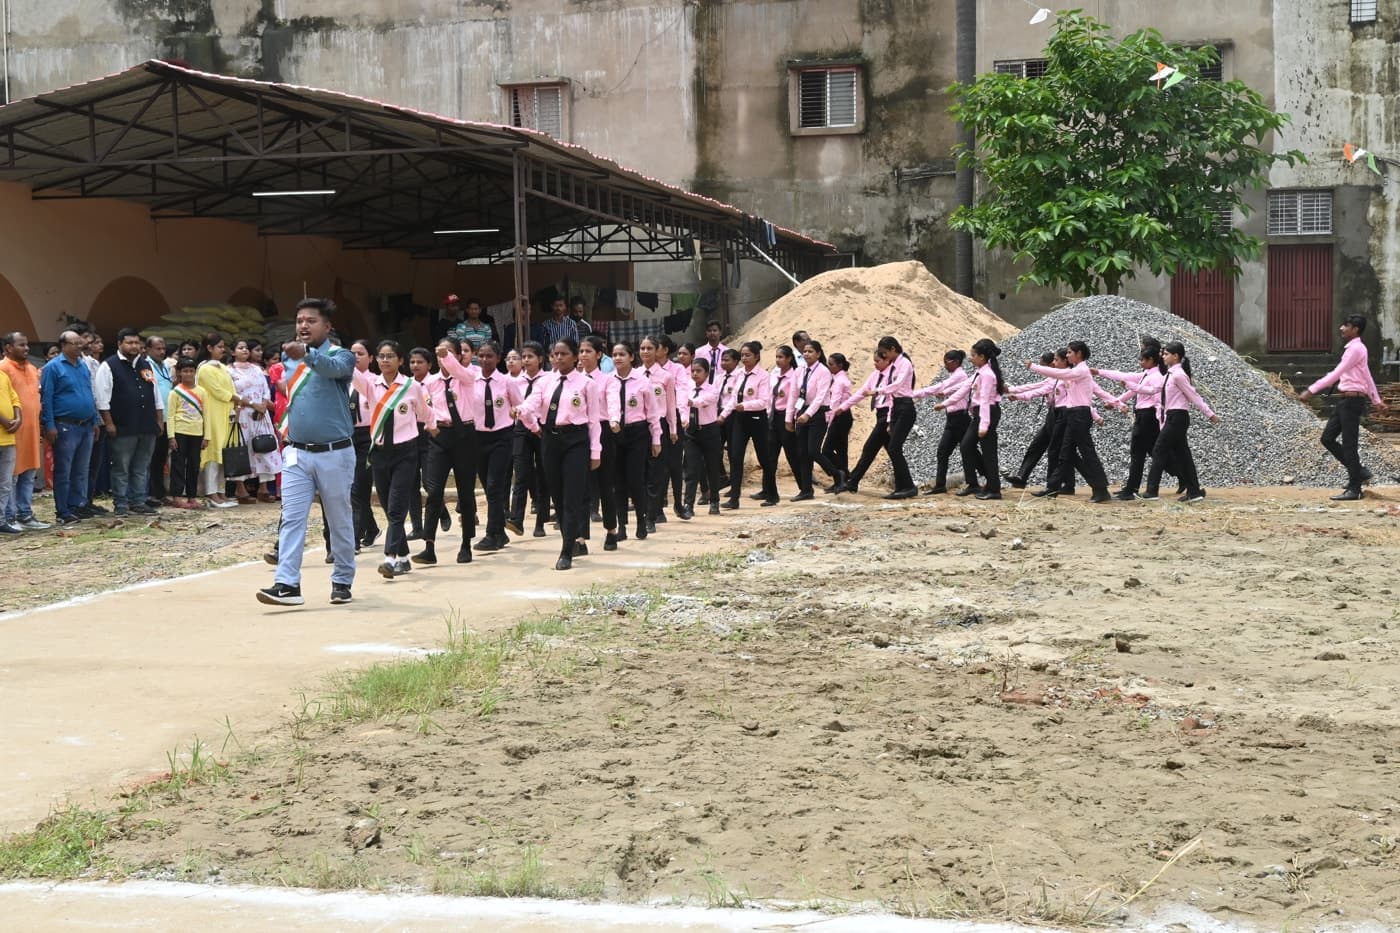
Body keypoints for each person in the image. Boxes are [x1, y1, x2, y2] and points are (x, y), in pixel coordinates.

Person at [258, 298, 358, 607]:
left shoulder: (341, 356)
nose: (303, 325)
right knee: (291, 518)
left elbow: (333, 369)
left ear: (327, 327)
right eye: (300, 320)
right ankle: (287, 583)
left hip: (335, 453)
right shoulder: (289, 359)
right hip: (297, 453)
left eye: (311, 320)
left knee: (338, 519)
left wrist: (306, 355)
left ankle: (342, 579)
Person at [353, 341, 437, 579]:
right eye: (381, 356)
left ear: (400, 361)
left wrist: (433, 426)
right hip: (379, 453)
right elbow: (351, 372)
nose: (385, 360)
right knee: (388, 506)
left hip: (405, 453)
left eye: (390, 356)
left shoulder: (411, 386)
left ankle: (390, 558)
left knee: (397, 506)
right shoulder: (370, 385)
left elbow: (425, 412)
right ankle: (404, 557)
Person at [518, 337, 602, 570]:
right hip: (550, 439)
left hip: (576, 440)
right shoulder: (545, 381)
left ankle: (566, 551)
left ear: (575, 357)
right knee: (557, 494)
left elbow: (594, 420)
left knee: (572, 495)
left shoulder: (587, 384)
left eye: (564, 354)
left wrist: (595, 451)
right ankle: (570, 538)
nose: (559, 358)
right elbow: (533, 402)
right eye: (555, 354)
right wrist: (521, 410)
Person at [1299, 314, 1387, 501]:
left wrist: (1311, 390)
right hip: (1345, 401)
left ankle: (1355, 489)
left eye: (1346, 325)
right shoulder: (1355, 349)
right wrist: (1376, 400)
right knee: (1327, 438)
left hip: (1352, 402)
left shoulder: (1355, 349)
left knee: (1349, 445)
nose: (1341, 328)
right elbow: (1367, 375)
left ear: (1355, 329)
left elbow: (1337, 373)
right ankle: (1359, 472)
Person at [1026, 340, 1113, 503]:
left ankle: (1101, 489)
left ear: (1079, 354)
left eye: (1070, 352)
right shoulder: (1077, 371)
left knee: (1087, 453)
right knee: (1064, 453)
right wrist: (1117, 402)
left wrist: (1033, 366)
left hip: (1080, 415)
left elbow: (1061, 375)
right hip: (1072, 415)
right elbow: (1097, 391)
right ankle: (1052, 488)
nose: (1067, 355)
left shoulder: (1081, 370)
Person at [421, 338, 480, 565]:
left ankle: (466, 543)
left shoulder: (466, 377)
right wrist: (430, 424)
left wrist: (448, 356)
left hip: (464, 435)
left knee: (465, 491)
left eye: (450, 353)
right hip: (440, 435)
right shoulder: (431, 381)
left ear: (459, 356)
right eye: (441, 354)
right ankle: (429, 545)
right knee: (434, 490)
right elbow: (424, 406)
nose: (444, 358)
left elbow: (458, 370)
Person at [95, 327, 165, 517]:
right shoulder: (108, 366)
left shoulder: (145, 365)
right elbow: (102, 398)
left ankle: (138, 501)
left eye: (136, 342)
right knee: (121, 467)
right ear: (120, 344)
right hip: (123, 425)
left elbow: (156, 395)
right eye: (129, 342)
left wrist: (159, 420)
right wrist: (109, 423)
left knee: (141, 466)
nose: (134, 346)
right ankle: (121, 504)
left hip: (147, 424)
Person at [1142, 341, 1220, 504]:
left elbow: (1193, 395)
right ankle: (1194, 491)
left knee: (1159, 449)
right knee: (1183, 454)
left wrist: (1209, 413)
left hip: (1178, 417)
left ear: (1176, 356)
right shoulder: (1170, 375)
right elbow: (1153, 390)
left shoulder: (1178, 375)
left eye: (1166, 354)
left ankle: (1152, 490)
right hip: (1172, 416)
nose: (1163, 356)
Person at [1096, 343, 1172, 500]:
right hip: (1144, 416)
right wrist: (1115, 400)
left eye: (1142, 359)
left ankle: (1131, 489)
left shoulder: (1156, 377)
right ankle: (1133, 487)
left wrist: (1127, 388)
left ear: (1151, 360)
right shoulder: (1146, 375)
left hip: (1147, 417)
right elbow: (1126, 380)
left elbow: (1151, 393)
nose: (1140, 362)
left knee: (1139, 453)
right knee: (1149, 452)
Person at [40, 330, 99, 526]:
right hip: (65, 425)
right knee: (64, 470)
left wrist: (95, 420)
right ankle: (63, 510)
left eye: (80, 343)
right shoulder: (53, 367)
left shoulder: (82, 365)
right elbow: (47, 398)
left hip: (86, 425)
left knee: (81, 469)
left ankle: (76, 505)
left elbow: (89, 393)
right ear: (63, 345)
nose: (79, 346)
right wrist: (50, 425)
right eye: (75, 343)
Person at [471, 341, 524, 552]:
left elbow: (520, 405)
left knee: (494, 486)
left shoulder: (507, 382)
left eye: (489, 356)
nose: (485, 360)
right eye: (481, 356)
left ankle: (492, 534)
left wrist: (527, 421)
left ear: (498, 358)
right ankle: (500, 532)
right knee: (487, 486)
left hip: (502, 437)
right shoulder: (472, 380)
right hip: (478, 437)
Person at [608, 341, 661, 546]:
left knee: (635, 479)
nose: (618, 358)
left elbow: (653, 413)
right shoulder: (608, 381)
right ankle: (622, 525)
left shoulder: (642, 381)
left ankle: (641, 520)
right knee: (618, 481)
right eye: (614, 354)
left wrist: (656, 439)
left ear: (631, 357)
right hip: (615, 433)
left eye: (622, 354)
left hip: (637, 433)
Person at [720, 340, 777, 508]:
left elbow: (764, 401)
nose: (744, 358)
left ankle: (772, 494)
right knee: (736, 456)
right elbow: (733, 398)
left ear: (756, 356)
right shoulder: (738, 374)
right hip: (740, 419)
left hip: (757, 419)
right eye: (742, 355)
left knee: (764, 457)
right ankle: (734, 498)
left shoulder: (763, 376)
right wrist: (723, 415)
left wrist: (745, 405)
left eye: (748, 355)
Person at [907, 350, 971, 495]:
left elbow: (940, 387)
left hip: (959, 419)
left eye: (946, 362)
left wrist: (913, 394)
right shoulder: (955, 375)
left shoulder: (960, 375)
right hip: (953, 418)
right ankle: (941, 485)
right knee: (947, 451)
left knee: (965, 451)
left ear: (955, 362)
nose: (945, 366)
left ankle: (983, 479)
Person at [0, 332, 46, 529]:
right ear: (8, 348)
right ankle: (9, 516)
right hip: (12, 432)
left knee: (29, 473)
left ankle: (25, 514)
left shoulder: (32, 368)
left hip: (32, 430)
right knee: (11, 476)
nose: (26, 348)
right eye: (21, 345)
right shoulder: (3, 368)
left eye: (27, 345)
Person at [831, 351, 892, 496]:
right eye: (874, 361)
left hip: (888, 415)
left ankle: (853, 481)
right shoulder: (875, 375)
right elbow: (861, 392)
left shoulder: (892, 375)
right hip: (880, 414)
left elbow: (894, 398)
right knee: (892, 451)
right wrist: (843, 407)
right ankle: (905, 483)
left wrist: (890, 419)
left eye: (878, 361)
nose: (875, 364)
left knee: (869, 448)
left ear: (887, 360)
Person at [229, 338, 282, 503]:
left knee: (264, 446)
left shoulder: (257, 369)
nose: (244, 350)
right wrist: (253, 404)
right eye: (240, 348)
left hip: (260, 414)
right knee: (242, 449)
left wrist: (263, 405)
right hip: (242, 413)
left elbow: (265, 390)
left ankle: (263, 488)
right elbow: (232, 393)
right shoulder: (229, 371)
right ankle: (240, 489)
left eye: (246, 348)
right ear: (233, 352)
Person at [508, 341, 550, 538]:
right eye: (523, 357)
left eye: (530, 356)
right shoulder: (515, 382)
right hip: (522, 429)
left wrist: (539, 427)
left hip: (543, 429)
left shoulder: (549, 379)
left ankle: (541, 521)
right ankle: (516, 519)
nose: (526, 360)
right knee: (521, 474)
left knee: (543, 474)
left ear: (540, 359)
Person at [639, 336, 683, 527]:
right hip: (641, 425)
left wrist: (673, 428)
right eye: (642, 348)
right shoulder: (635, 374)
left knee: (657, 470)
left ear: (657, 351)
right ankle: (646, 510)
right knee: (642, 470)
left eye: (649, 348)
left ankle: (653, 514)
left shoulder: (666, 376)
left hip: (661, 424)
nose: (645, 352)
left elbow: (671, 405)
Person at [788, 340, 839, 500]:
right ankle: (806, 490)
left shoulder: (823, 371)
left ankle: (837, 474)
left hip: (818, 413)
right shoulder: (799, 371)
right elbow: (793, 394)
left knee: (813, 450)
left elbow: (820, 397)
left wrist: (808, 414)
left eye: (810, 351)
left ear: (818, 354)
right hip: (802, 410)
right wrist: (790, 417)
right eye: (805, 351)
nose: (807, 354)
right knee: (802, 453)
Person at [959, 339, 1006, 500]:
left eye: (973, 355)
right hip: (980, 413)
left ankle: (994, 489)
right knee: (966, 446)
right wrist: (946, 401)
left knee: (989, 452)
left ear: (982, 357)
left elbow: (985, 400)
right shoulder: (981, 372)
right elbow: (963, 388)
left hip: (987, 414)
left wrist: (984, 425)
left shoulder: (987, 375)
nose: (970, 358)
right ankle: (976, 483)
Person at [196, 332, 240, 508]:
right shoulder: (204, 369)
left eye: (223, 346)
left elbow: (231, 388)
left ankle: (222, 492)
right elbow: (217, 391)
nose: (223, 350)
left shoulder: (222, 367)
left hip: (226, 414)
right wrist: (237, 398)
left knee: (224, 454)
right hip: (212, 415)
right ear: (209, 348)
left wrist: (236, 404)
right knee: (213, 454)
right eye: (219, 347)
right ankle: (211, 493)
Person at [345, 339, 380, 549]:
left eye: (360, 353)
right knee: (353, 488)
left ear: (371, 357)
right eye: (352, 353)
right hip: (347, 435)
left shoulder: (375, 381)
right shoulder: (344, 380)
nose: (355, 357)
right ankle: (371, 528)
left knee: (359, 487)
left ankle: (354, 538)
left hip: (368, 436)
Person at [682, 358, 724, 517]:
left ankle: (714, 501)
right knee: (691, 470)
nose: (695, 374)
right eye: (693, 371)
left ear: (706, 373)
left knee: (712, 467)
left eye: (698, 371)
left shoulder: (712, 389)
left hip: (709, 431)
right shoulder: (687, 387)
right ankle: (688, 504)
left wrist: (690, 402)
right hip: (691, 432)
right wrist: (683, 418)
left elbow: (702, 401)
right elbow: (682, 407)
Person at [166, 357, 208, 510]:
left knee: (194, 465)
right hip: (180, 431)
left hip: (197, 433)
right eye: (185, 371)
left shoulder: (202, 392)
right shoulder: (175, 392)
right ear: (179, 373)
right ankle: (177, 496)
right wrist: (171, 436)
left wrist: (207, 436)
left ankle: (192, 497)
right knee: (178, 465)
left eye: (191, 371)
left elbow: (207, 415)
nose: (188, 374)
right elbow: (170, 416)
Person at [768, 345, 800, 499]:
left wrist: (790, 419)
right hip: (773, 417)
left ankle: (804, 487)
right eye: (777, 357)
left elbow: (793, 399)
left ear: (789, 359)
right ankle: (768, 489)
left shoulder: (794, 376)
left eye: (781, 357)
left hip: (786, 417)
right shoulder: (775, 374)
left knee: (792, 455)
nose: (778, 360)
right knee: (770, 456)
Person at [144, 336, 173, 506]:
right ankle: (149, 493)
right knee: (151, 457)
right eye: (158, 349)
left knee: (161, 457)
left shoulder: (165, 366)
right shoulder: (146, 366)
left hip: (168, 416)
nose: (162, 352)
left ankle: (159, 492)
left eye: (163, 348)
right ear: (148, 349)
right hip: (155, 417)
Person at [820, 353, 853, 486]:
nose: (829, 367)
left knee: (826, 450)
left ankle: (843, 473)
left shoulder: (839, 381)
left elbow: (835, 402)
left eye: (831, 364)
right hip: (844, 415)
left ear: (840, 365)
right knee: (841, 450)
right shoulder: (838, 378)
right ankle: (842, 480)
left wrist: (829, 419)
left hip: (839, 415)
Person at [0, 363, 22, 533]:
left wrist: (18, 418)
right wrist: (5, 421)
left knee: (5, 484)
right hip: (5, 430)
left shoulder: (3, 376)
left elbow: (15, 399)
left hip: (8, 439)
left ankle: (1, 520)